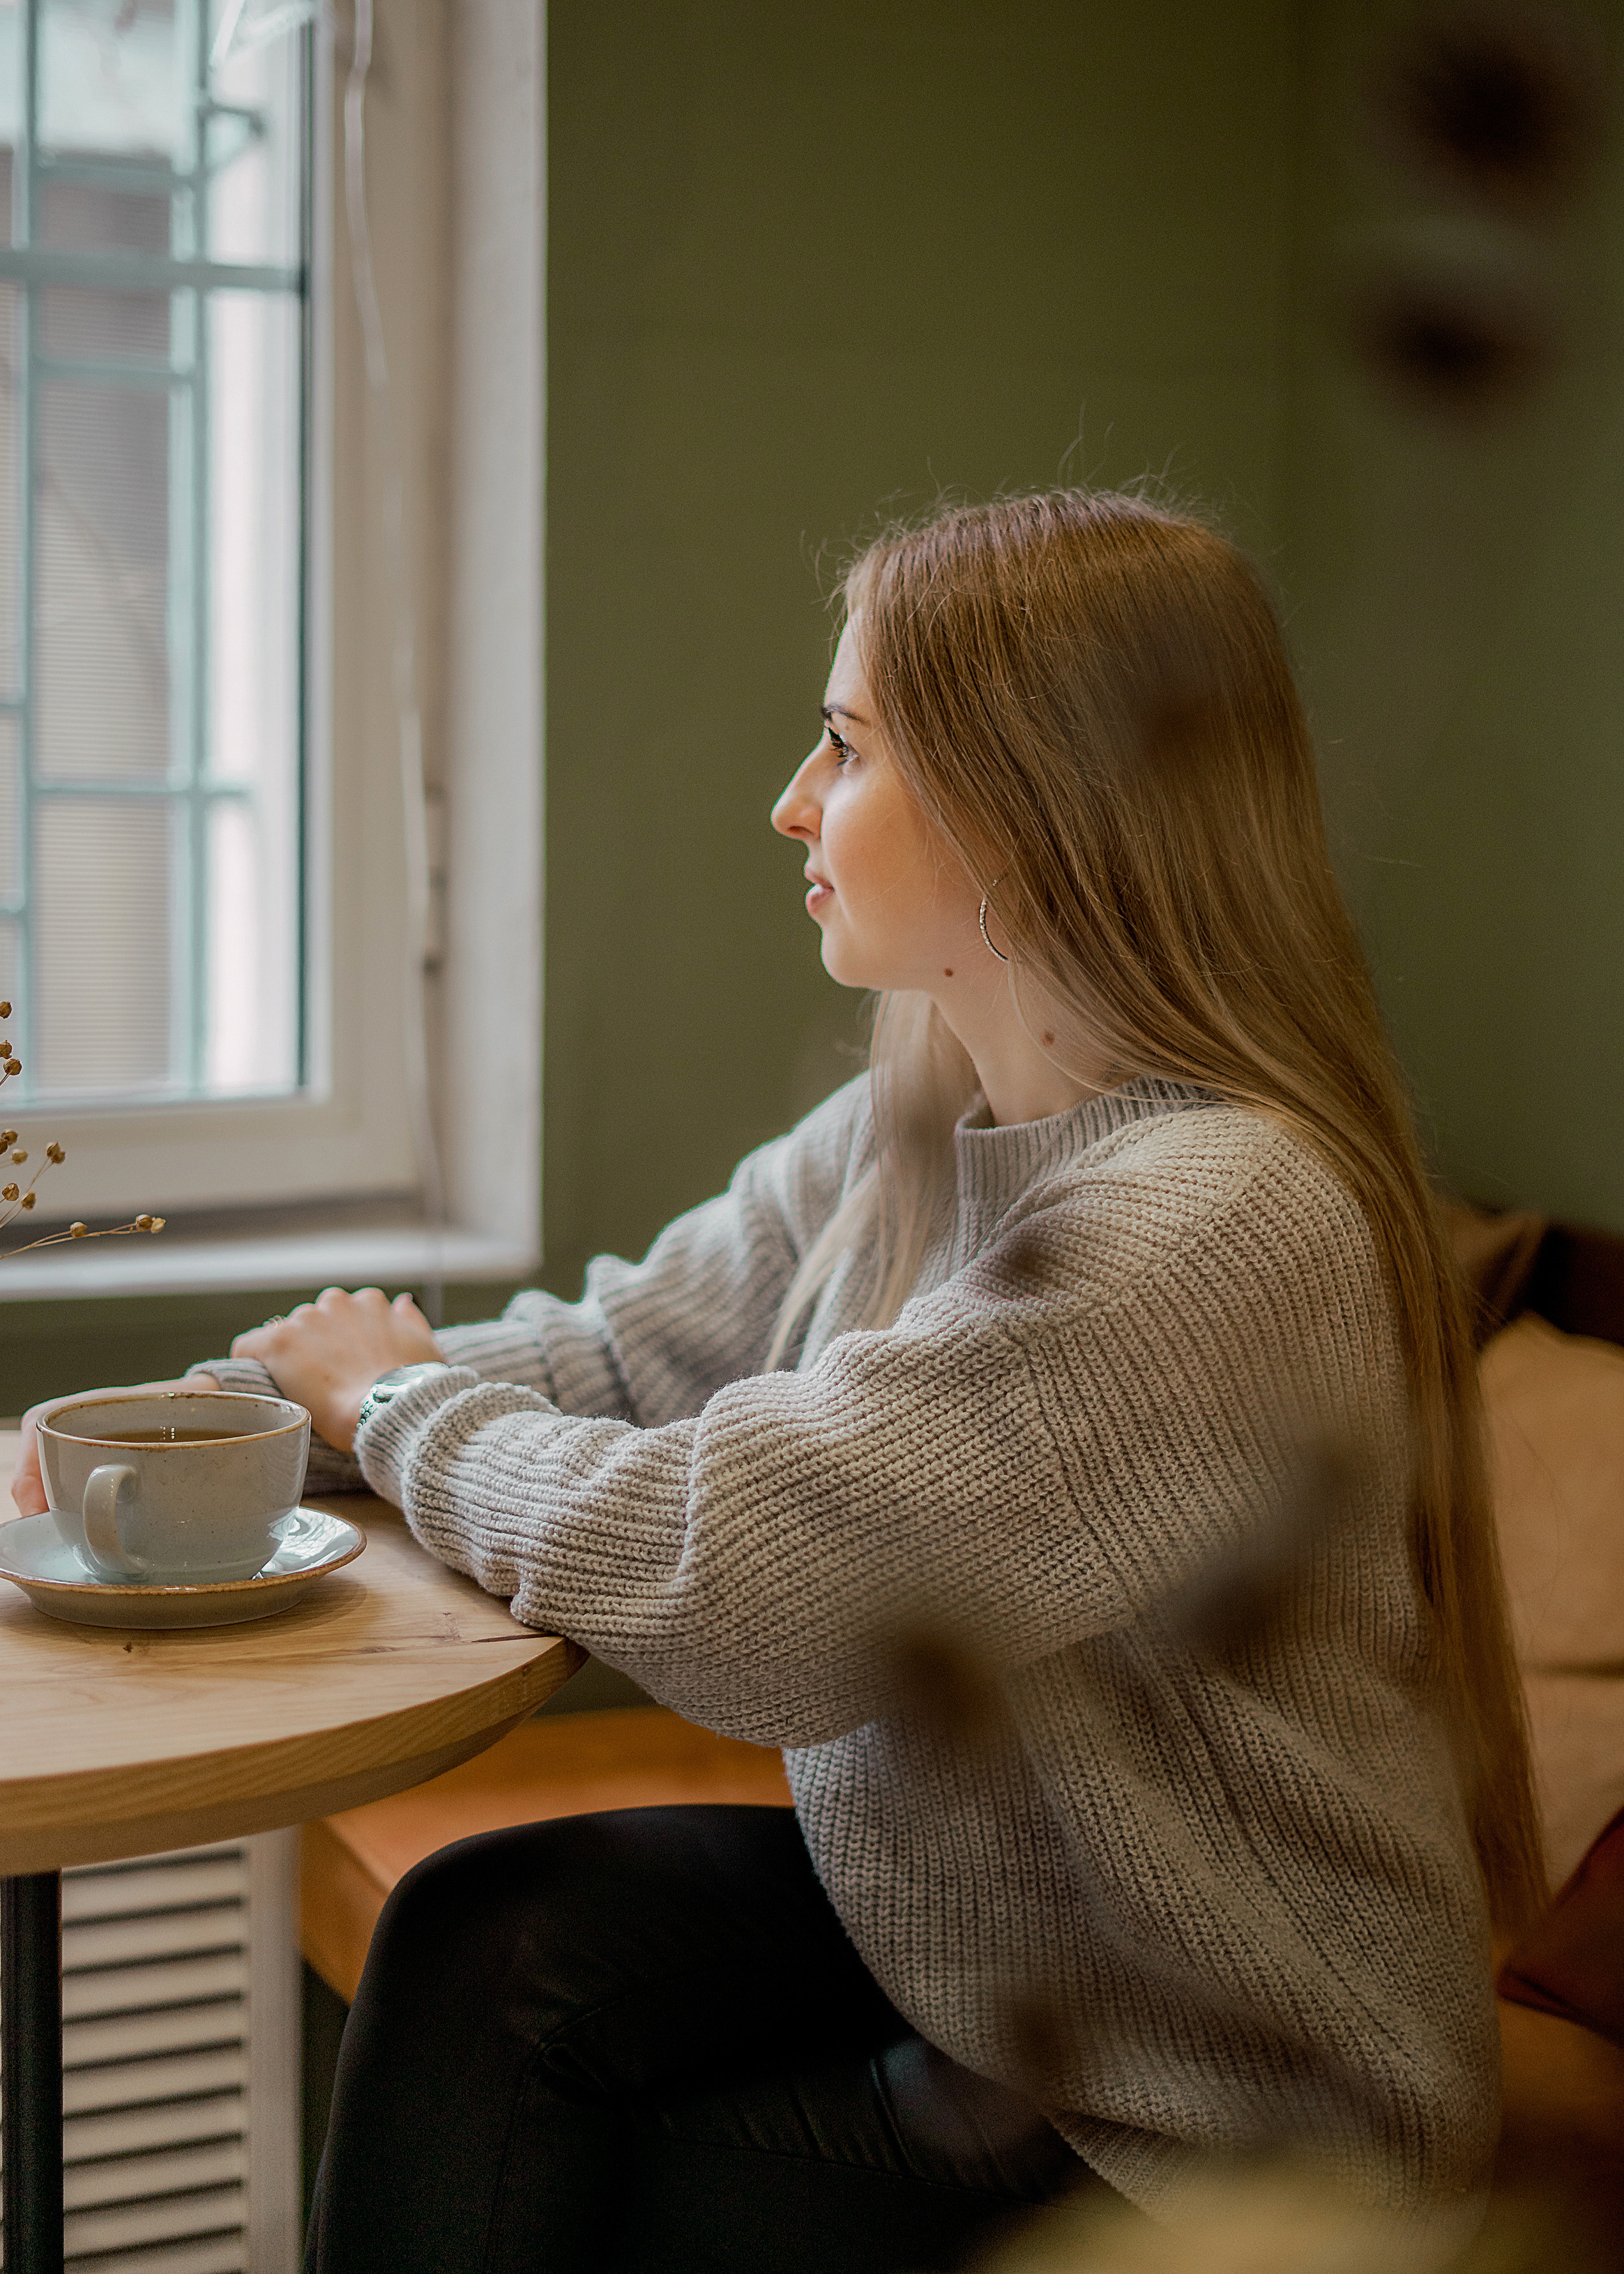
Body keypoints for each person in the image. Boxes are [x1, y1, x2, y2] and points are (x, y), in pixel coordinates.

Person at [14, 491, 1544, 2273]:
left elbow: (737, 1582)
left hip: (1209, 2122)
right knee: (487, 1935)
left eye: (847, 745)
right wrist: (210, 1428)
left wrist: (395, 1408)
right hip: (984, 1951)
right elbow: (625, 1358)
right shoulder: (924, 1111)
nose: (793, 803)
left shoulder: (1211, 1221)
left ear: (1037, 796)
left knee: (555, 2145)